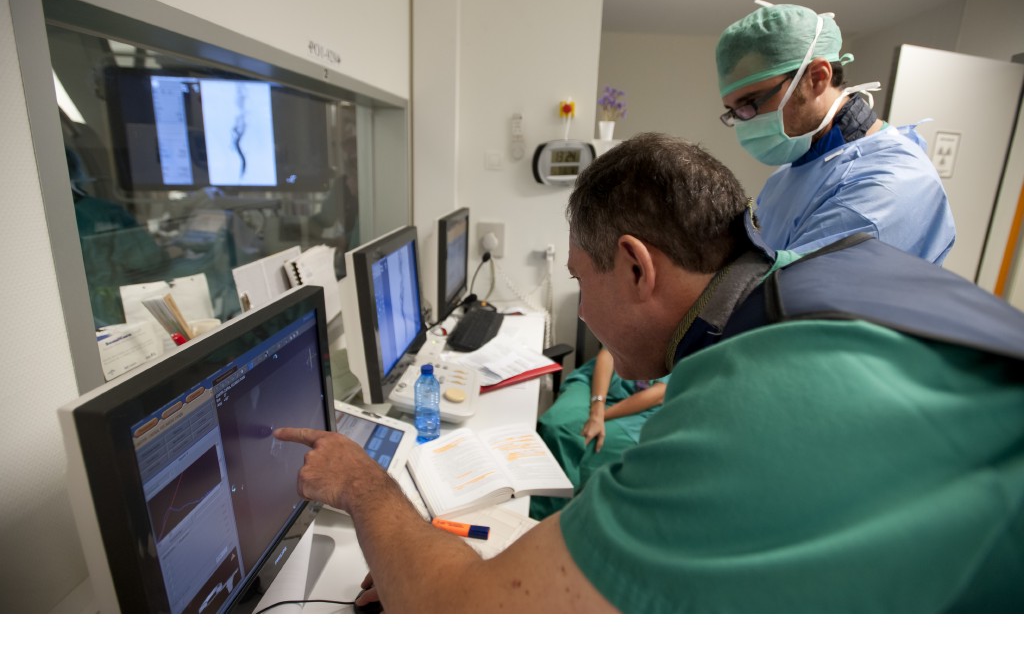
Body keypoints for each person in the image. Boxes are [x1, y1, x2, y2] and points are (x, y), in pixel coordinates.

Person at [275, 133, 1024, 612]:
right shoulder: (832, 271)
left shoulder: (749, 406)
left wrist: (362, 486)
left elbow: (466, 621)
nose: (584, 312)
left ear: (636, 266)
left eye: (580, 279)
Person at [716, 1, 956, 262]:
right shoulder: (795, 170)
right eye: (733, 111)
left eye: (751, 103)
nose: (744, 120)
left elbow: (793, 292)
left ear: (817, 78)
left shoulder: (890, 184)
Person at [531, 347, 668, 520]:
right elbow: (608, 352)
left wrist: (600, 417)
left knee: (590, 445)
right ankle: (534, 517)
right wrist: (597, 410)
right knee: (556, 428)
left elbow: (659, 394)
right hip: (597, 384)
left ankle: (555, 523)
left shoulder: (692, 332)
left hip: (644, 408)